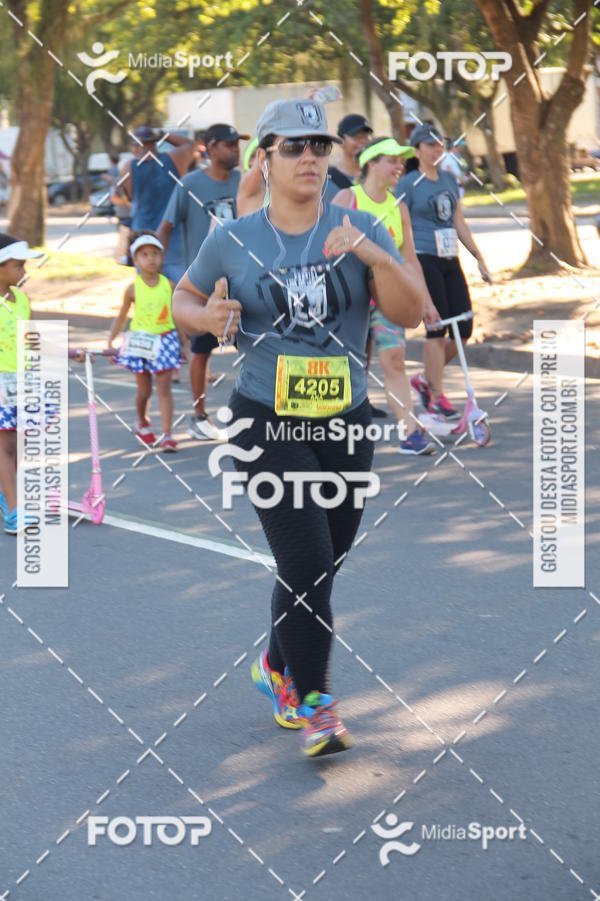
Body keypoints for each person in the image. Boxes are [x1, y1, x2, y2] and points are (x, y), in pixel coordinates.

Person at [173, 98, 425, 757]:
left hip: (346, 421)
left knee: (323, 561)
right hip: (266, 419)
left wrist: (375, 256)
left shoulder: (357, 223)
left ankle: (276, 665)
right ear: (266, 157)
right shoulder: (233, 237)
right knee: (307, 558)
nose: (311, 156)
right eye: (294, 146)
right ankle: (315, 703)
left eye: (319, 145)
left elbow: (412, 311)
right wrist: (207, 320)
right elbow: (184, 298)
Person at [333, 137, 438, 454]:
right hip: (346, 298)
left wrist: (426, 301)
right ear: (372, 163)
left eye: (401, 161)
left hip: (386, 296)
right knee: (343, 365)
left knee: (394, 360)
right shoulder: (346, 199)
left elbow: (409, 260)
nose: (399, 167)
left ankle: (410, 433)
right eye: (392, 160)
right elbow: (324, 246)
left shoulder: (398, 207)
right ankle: (332, 434)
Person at [395, 124, 492, 419]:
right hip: (424, 258)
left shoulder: (449, 179)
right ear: (417, 150)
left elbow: (459, 221)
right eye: (430, 145)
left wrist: (478, 256)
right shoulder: (408, 183)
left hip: (451, 258)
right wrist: (407, 262)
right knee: (436, 329)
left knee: (463, 328)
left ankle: (426, 378)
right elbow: (403, 225)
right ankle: (436, 395)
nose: (436, 149)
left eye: (439, 144)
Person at [157, 123, 248, 440]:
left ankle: (259, 413)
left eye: (238, 144)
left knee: (256, 347)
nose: (236, 149)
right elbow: (167, 226)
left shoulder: (246, 181)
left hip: (245, 279)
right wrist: (156, 269)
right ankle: (198, 416)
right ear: (209, 148)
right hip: (204, 284)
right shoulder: (189, 184)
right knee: (202, 350)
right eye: (229, 144)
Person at [108, 231, 187, 452]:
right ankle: (142, 421)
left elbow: (176, 315)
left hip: (165, 339)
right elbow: (122, 316)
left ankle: (168, 435)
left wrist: (184, 343)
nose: (150, 258)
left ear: (162, 257)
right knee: (144, 391)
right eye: (144, 254)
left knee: (164, 388)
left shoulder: (169, 285)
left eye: (155, 253)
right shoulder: (132, 289)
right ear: (136, 259)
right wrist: (111, 340)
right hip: (140, 342)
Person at [0, 233, 43, 534]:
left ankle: (7, 496)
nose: (24, 271)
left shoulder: (23, 300)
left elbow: (34, 339)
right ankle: (14, 509)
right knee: (4, 444)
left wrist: (69, 352)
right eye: (18, 266)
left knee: (14, 444)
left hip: (21, 380)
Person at [122, 126, 194, 281]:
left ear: (134, 146)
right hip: (173, 240)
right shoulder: (174, 159)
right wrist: (164, 135)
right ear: (155, 143)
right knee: (179, 291)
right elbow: (190, 145)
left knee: (149, 292)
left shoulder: (128, 168)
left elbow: (130, 197)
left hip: (144, 241)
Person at [324, 113, 372, 199]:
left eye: (366, 136)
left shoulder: (374, 175)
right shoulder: (328, 180)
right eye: (357, 137)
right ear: (341, 141)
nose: (363, 141)